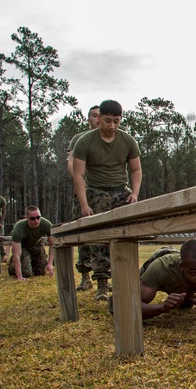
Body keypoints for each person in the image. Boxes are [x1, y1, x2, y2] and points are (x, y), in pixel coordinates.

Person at [70, 99, 143, 301]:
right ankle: (102, 285)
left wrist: (134, 193)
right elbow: (78, 175)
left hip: (121, 191)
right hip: (96, 192)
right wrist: (84, 204)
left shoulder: (128, 141)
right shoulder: (85, 141)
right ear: (99, 118)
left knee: (127, 234)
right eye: (108, 121)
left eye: (117, 121)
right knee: (99, 239)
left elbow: (136, 169)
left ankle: (126, 280)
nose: (112, 126)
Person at [139, 239, 196, 321]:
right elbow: (134, 308)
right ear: (181, 267)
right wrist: (161, 307)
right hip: (161, 259)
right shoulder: (161, 268)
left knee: (186, 305)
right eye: (194, 272)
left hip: (186, 278)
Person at [66, 105, 100, 292]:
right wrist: (81, 181)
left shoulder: (111, 139)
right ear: (88, 119)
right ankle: (85, 277)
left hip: (105, 192)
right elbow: (71, 162)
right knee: (83, 234)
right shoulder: (79, 139)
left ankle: (104, 278)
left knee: (104, 235)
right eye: (94, 116)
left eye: (100, 116)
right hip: (84, 193)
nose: (97, 119)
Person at [8, 205, 55, 281]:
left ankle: (28, 263)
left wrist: (50, 263)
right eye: (32, 218)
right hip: (24, 247)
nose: (36, 221)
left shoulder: (46, 224)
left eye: (38, 217)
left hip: (37, 245)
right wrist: (19, 277)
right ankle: (13, 267)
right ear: (27, 218)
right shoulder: (19, 228)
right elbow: (16, 254)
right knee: (26, 273)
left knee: (41, 271)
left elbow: (52, 244)